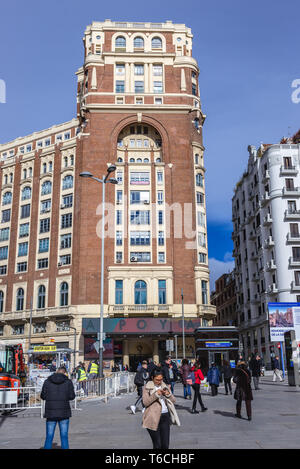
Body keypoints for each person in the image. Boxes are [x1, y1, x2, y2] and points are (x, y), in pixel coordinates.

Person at [142, 369, 180, 449]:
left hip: (165, 416)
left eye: (161, 379)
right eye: (157, 380)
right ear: (152, 378)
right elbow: (145, 402)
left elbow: (174, 400)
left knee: (165, 445)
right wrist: (156, 394)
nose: (159, 381)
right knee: (157, 445)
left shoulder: (164, 386)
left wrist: (168, 394)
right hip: (152, 418)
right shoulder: (147, 387)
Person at [40, 366, 76, 449]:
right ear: (64, 373)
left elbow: (43, 396)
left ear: (57, 371)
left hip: (51, 412)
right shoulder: (68, 382)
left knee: (49, 436)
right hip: (64, 413)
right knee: (64, 436)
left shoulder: (47, 381)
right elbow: (72, 396)